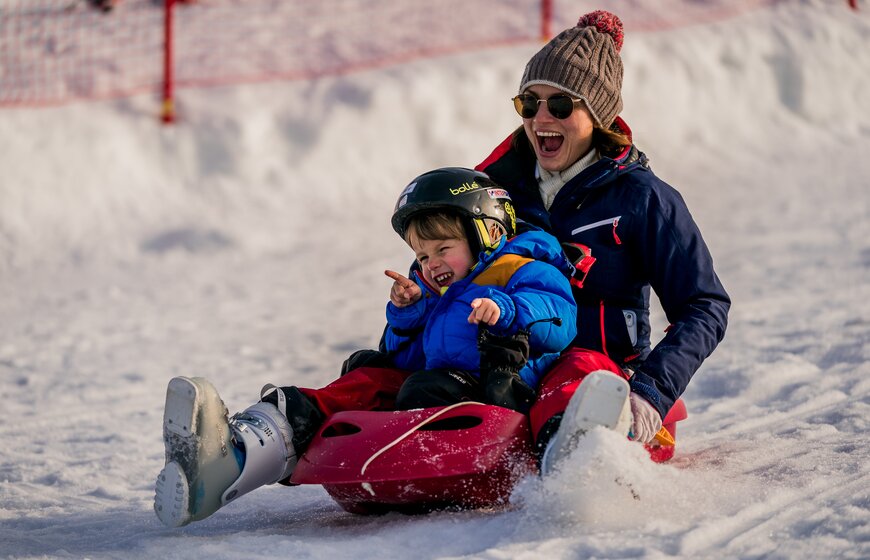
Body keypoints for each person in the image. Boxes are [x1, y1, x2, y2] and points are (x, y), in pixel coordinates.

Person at [154, 167, 578, 528]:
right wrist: (408, 316)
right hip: (439, 387)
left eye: (443, 249)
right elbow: (404, 358)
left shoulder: (523, 269)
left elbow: (560, 319)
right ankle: (237, 456)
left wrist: (507, 309)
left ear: (489, 234)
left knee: (423, 389)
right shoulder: (436, 294)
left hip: (499, 389)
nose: (431, 264)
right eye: (422, 254)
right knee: (366, 373)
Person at [474, 10, 730, 472]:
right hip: (507, 367)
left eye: (561, 104)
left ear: (597, 114)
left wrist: (651, 391)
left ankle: (584, 445)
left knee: (579, 377)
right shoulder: (497, 190)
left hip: (601, 374)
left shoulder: (642, 197)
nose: (541, 118)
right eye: (529, 104)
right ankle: (306, 424)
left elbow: (704, 304)